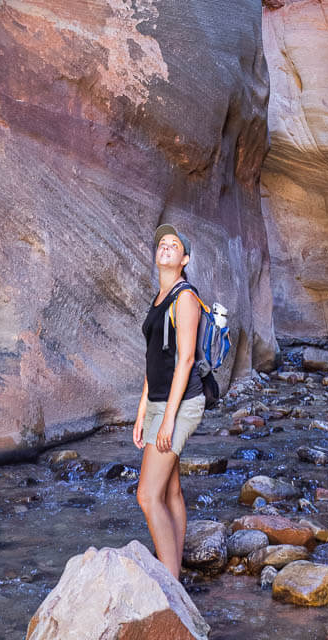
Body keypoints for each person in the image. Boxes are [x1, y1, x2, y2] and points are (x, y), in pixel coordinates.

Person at [133, 223, 205, 579]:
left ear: (184, 259)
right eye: (162, 243)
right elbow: (154, 359)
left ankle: (171, 583)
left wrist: (167, 420)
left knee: (147, 496)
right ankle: (176, 568)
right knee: (171, 490)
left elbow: (186, 359)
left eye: (174, 245)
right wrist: (143, 411)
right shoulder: (159, 298)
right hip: (160, 403)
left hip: (182, 404)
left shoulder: (185, 298)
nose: (165, 247)